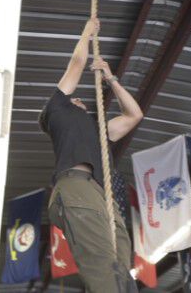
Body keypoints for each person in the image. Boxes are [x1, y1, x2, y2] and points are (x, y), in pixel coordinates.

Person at [39, 18, 143, 293]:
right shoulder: (57, 111)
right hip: (75, 188)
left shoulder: (96, 129)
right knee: (103, 268)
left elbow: (134, 115)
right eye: (72, 98)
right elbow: (76, 65)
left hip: (100, 195)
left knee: (121, 267)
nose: (78, 98)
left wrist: (111, 78)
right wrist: (86, 33)